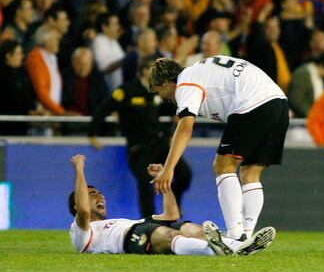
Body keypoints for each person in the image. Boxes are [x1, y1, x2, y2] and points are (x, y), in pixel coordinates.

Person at [148, 56, 288, 243]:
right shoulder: (200, 71)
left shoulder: (185, 82)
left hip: (252, 104)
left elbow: (185, 127)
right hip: (278, 103)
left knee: (222, 166)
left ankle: (234, 235)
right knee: (250, 173)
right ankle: (245, 234)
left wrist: (169, 167)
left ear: (166, 83)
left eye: (161, 93)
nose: (166, 99)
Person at [69, 154, 275, 256]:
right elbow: (84, 211)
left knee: (189, 228)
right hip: (131, 238)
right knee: (168, 236)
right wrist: (79, 169)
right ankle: (216, 250)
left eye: (99, 193)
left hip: (140, 225)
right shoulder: (80, 231)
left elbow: (171, 213)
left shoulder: (118, 221)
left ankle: (239, 247)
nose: (100, 197)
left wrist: (163, 182)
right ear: (78, 205)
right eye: (91, 194)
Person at [88, 55, 192, 217]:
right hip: (139, 148)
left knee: (185, 174)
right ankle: (149, 222)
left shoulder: (160, 91)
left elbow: (172, 110)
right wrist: (92, 133)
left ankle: (176, 201)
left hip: (160, 143)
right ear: (144, 71)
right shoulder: (126, 91)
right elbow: (103, 109)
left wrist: (177, 119)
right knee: (145, 184)